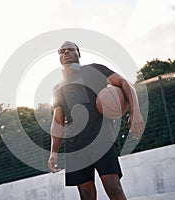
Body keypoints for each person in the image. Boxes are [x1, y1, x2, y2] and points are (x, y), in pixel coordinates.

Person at [48, 41, 144, 200]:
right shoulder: (58, 87)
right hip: (75, 144)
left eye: (70, 49)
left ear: (79, 53)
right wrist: (53, 152)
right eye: (61, 51)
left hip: (101, 138)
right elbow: (58, 121)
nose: (66, 53)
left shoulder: (94, 70)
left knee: (113, 187)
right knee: (85, 195)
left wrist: (135, 112)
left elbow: (124, 83)